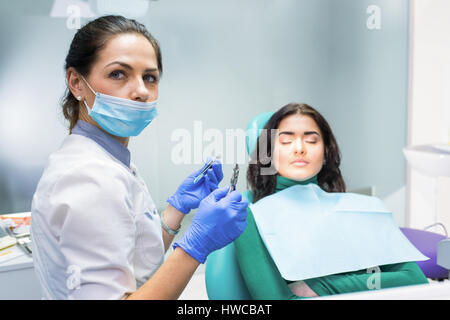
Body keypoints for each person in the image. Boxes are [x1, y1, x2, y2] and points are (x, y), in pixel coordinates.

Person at [30, 15, 248, 300]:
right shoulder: (88, 177)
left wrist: (176, 210)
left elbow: (130, 259)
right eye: (118, 74)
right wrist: (196, 245)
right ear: (76, 82)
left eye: (149, 77)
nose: (142, 91)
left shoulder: (106, 159)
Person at [234, 102, 428, 299]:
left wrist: (321, 286)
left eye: (311, 140)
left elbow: (415, 280)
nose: (300, 148)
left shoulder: (360, 208)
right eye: (286, 141)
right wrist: (366, 284)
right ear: (268, 153)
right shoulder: (252, 219)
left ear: (326, 152)